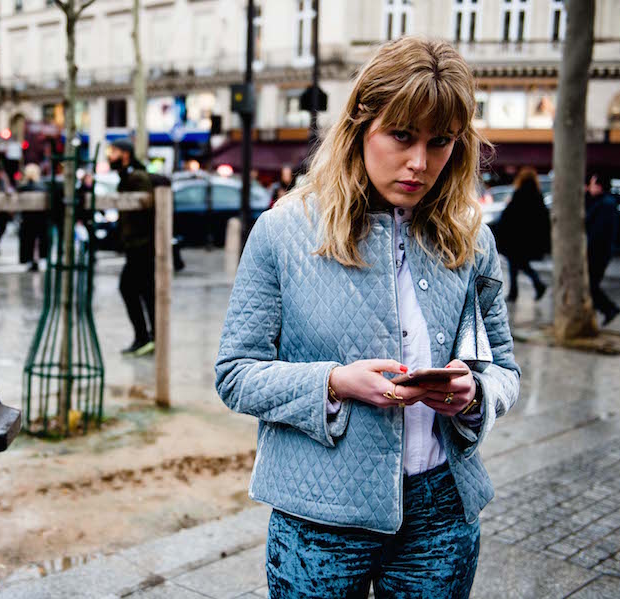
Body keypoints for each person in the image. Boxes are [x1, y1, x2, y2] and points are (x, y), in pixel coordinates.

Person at [215, 36, 520, 599]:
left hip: (442, 516)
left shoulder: (472, 239)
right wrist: (332, 383)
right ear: (360, 126)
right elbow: (235, 374)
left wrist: (474, 394)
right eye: (402, 135)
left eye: (441, 142)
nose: (419, 162)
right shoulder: (284, 232)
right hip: (318, 517)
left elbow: (503, 368)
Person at [108, 138, 156, 356]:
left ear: (125, 154)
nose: (110, 157)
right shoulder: (128, 176)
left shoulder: (136, 177)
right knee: (144, 291)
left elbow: (145, 207)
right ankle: (149, 337)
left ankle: (145, 336)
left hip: (142, 245)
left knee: (129, 288)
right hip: (136, 245)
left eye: (114, 152)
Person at [496, 166, 550, 301]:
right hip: (527, 238)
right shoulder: (538, 195)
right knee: (516, 264)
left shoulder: (519, 193)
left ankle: (535, 286)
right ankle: (521, 291)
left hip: (515, 237)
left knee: (517, 264)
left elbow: (509, 216)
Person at [585, 172, 620, 325]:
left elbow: (598, 232)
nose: (589, 188)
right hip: (599, 251)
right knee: (590, 285)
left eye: (592, 184)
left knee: (591, 285)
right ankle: (603, 310)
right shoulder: (601, 202)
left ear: (599, 186)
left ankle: (609, 308)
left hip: (598, 252)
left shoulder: (605, 204)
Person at [17, 163, 49, 271]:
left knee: (28, 240)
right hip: (40, 218)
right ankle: (40, 259)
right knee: (40, 240)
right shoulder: (43, 187)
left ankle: (30, 260)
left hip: (27, 218)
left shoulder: (22, 187)